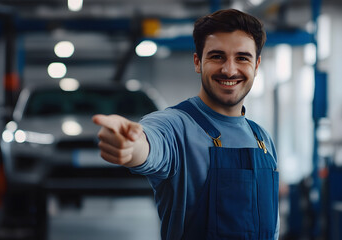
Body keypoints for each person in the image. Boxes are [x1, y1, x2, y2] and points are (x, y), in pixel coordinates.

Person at [93, 9, 279, 240]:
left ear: (256, 65)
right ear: (197, 62)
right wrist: (130, 145)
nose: (229, 69)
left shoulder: (262, 139)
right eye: (217, 56)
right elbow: (150, 144)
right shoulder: (174, 126)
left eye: (242, 57)